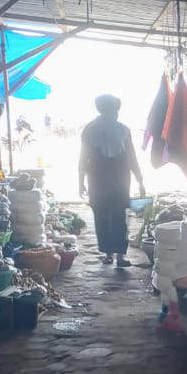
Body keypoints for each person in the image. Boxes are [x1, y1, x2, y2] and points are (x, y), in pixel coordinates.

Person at [79, 94, 144, 267]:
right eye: (113, 110)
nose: (114, 113)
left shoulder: (121, 130)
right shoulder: (92, 130)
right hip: (103, 179)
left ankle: (117, 254)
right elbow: (83, 158)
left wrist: (140, 179)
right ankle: (112, 254)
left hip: (112, 179)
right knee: (107, 216)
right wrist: (80, 182)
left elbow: (131, 157)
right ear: (105, 110)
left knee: (113, 215)